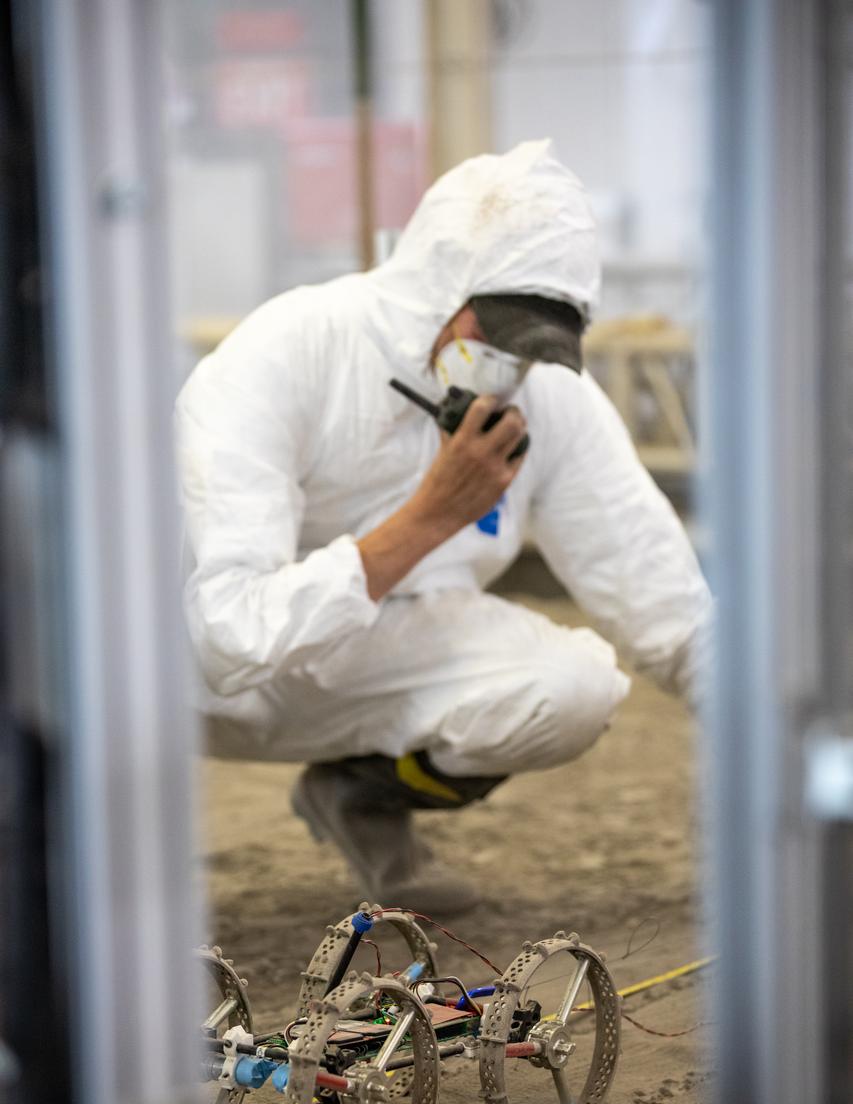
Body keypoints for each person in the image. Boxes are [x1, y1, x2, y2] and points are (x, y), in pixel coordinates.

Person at [175, 139, 710, 917]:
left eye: (531, 346)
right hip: (192, 679)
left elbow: (668, 601)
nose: (505, 365)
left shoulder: (549, 402)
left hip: (374, 663)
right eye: (492, 334)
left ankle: (358, 796)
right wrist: (431, 516)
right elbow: (225, 633)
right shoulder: (286, 352)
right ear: (432, 287)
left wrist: (789, 769)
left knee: (573, 690)